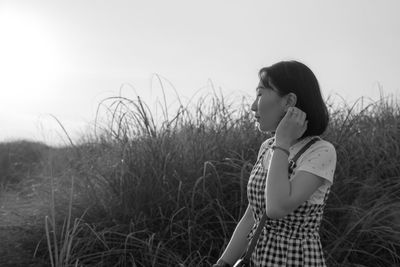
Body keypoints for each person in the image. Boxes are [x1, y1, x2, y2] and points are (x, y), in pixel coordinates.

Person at [213, 60, 337, 267]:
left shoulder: (321, 151)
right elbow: (253, 214)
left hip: (295, 261)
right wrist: (223, 263)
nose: (253, 105)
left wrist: (282, 143)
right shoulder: (267, 147)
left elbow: (276, 208)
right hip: (257, 259)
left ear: (289, 101)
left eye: (260, 94)